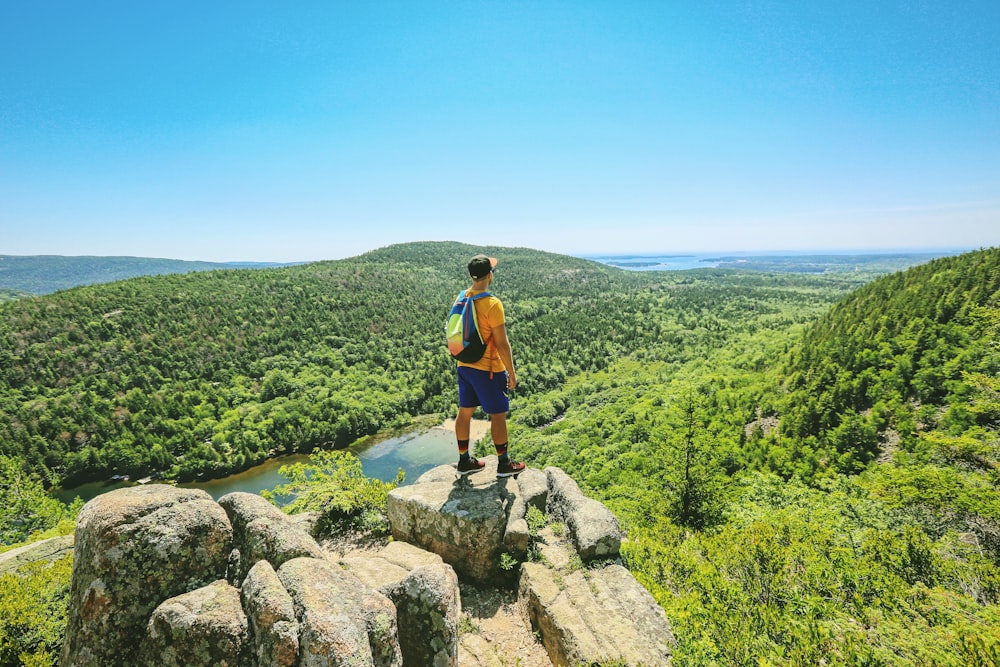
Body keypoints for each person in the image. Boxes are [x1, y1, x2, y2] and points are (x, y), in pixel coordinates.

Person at [454, 254, 526, 478]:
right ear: (489, 275)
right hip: (488, 370)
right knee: (498, 415)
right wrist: (512, 373)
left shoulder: (462, 297)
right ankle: (504, 464)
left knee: (465, 412)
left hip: (464, 365)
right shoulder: (493, 304)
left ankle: (464, 461)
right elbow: (502, 344)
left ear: (471, 276)